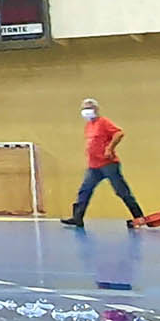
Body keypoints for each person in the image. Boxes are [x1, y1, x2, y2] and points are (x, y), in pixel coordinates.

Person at [67, 97, 143, 227]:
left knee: (121, 191)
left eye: (89, 108)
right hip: (94, 166)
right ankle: (77, 217)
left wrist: (109, 148)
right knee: (85, 190)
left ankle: (139, 217)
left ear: (96, 109)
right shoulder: (89, 126)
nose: (86, 111)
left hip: (108, 164)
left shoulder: (103, 122)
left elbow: (118, 133)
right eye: (84, 108)